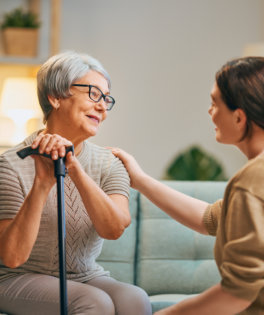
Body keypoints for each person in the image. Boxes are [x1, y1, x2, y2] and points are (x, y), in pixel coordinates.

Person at [111, 56, 264, 314]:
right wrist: (139, 180)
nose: (210, 112)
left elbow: (237, 293)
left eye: (214, 103)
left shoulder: (258, 178)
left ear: (239, 117)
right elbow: (209, 218)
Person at [0, 51, 151, 315]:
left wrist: (75, 168)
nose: (102, 107)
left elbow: (114, 228)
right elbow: (12, 258)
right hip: (16, 277)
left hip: (85, 275)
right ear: (55, 96)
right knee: (94, 302)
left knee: (135, 299)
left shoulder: (109, 163)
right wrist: (42, 183)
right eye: (93, 94)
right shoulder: (9, 164)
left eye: (106, 98)